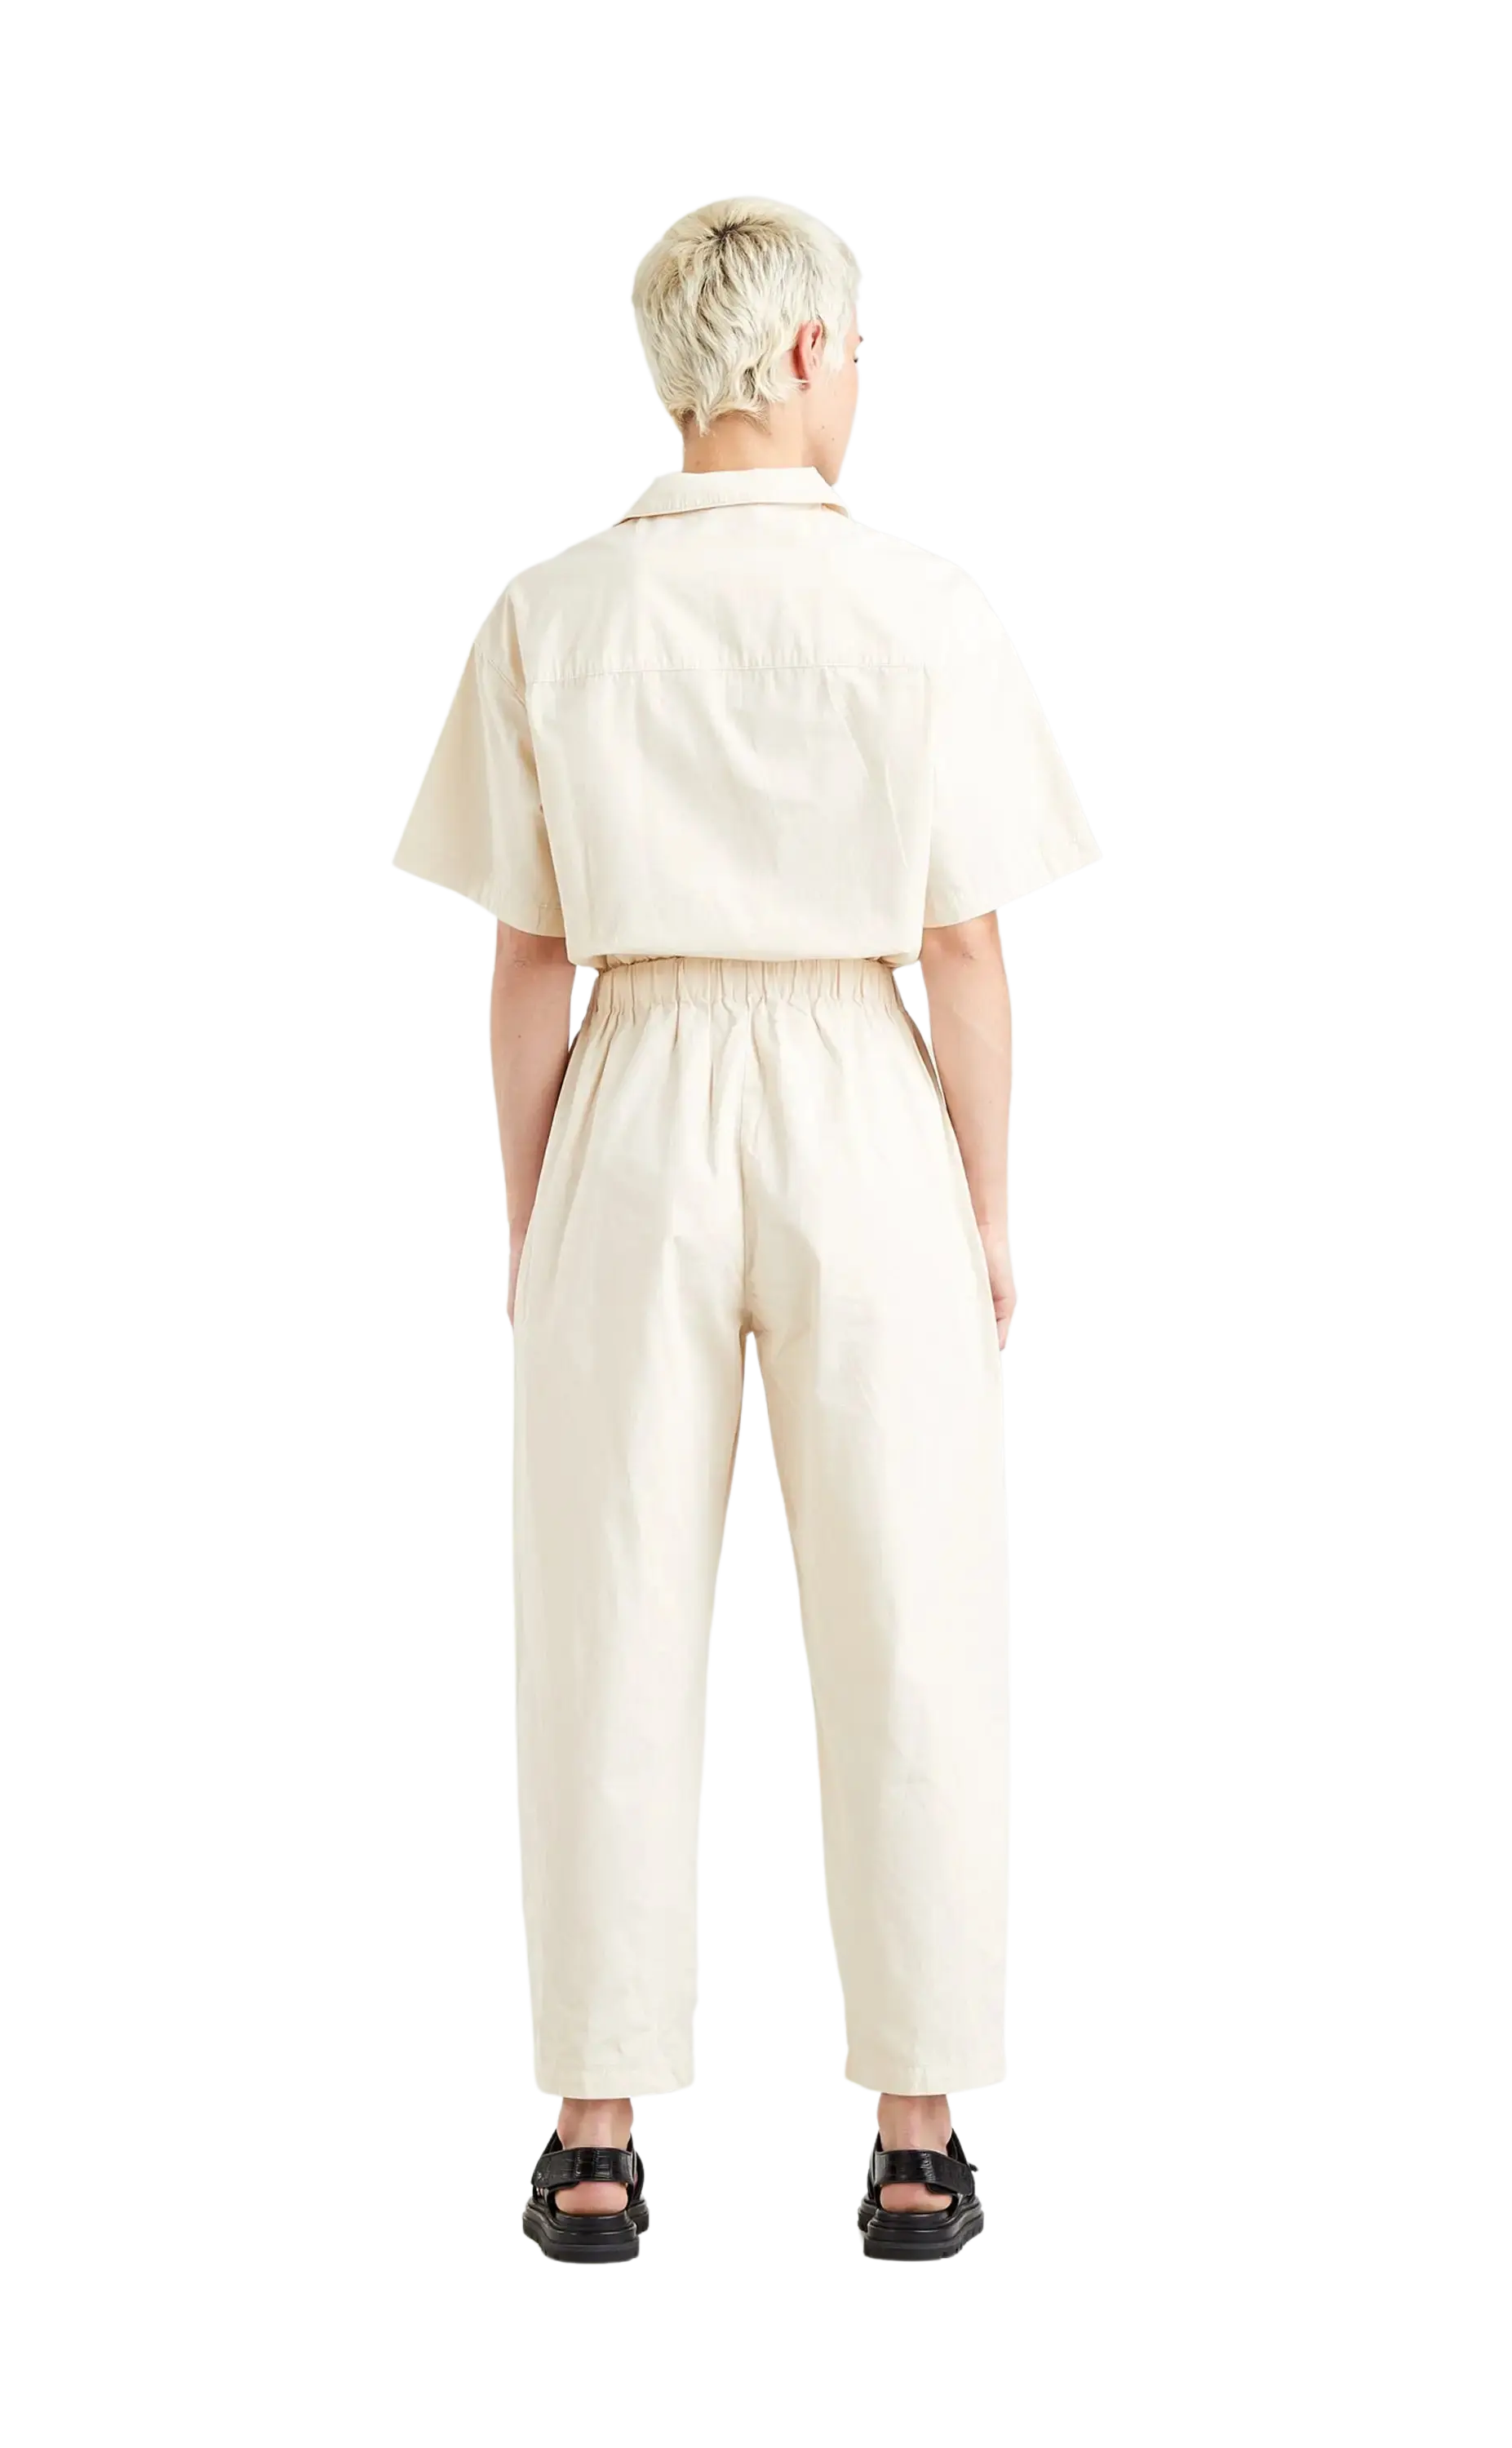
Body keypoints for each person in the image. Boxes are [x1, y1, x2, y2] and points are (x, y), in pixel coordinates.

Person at [386, 193, 1105, 2265]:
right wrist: (989, 1214)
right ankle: (917, 2136)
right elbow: (964, 954)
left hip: (635, 1083)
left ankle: (594, 2140)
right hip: (859, 1086)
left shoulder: (545, 610)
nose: (860, 379)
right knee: (911, 1600)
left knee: (604, 1599)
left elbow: (527, 963)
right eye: (854, 347)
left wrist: (533, 1208)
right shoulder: (926, 603)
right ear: (796, 356)